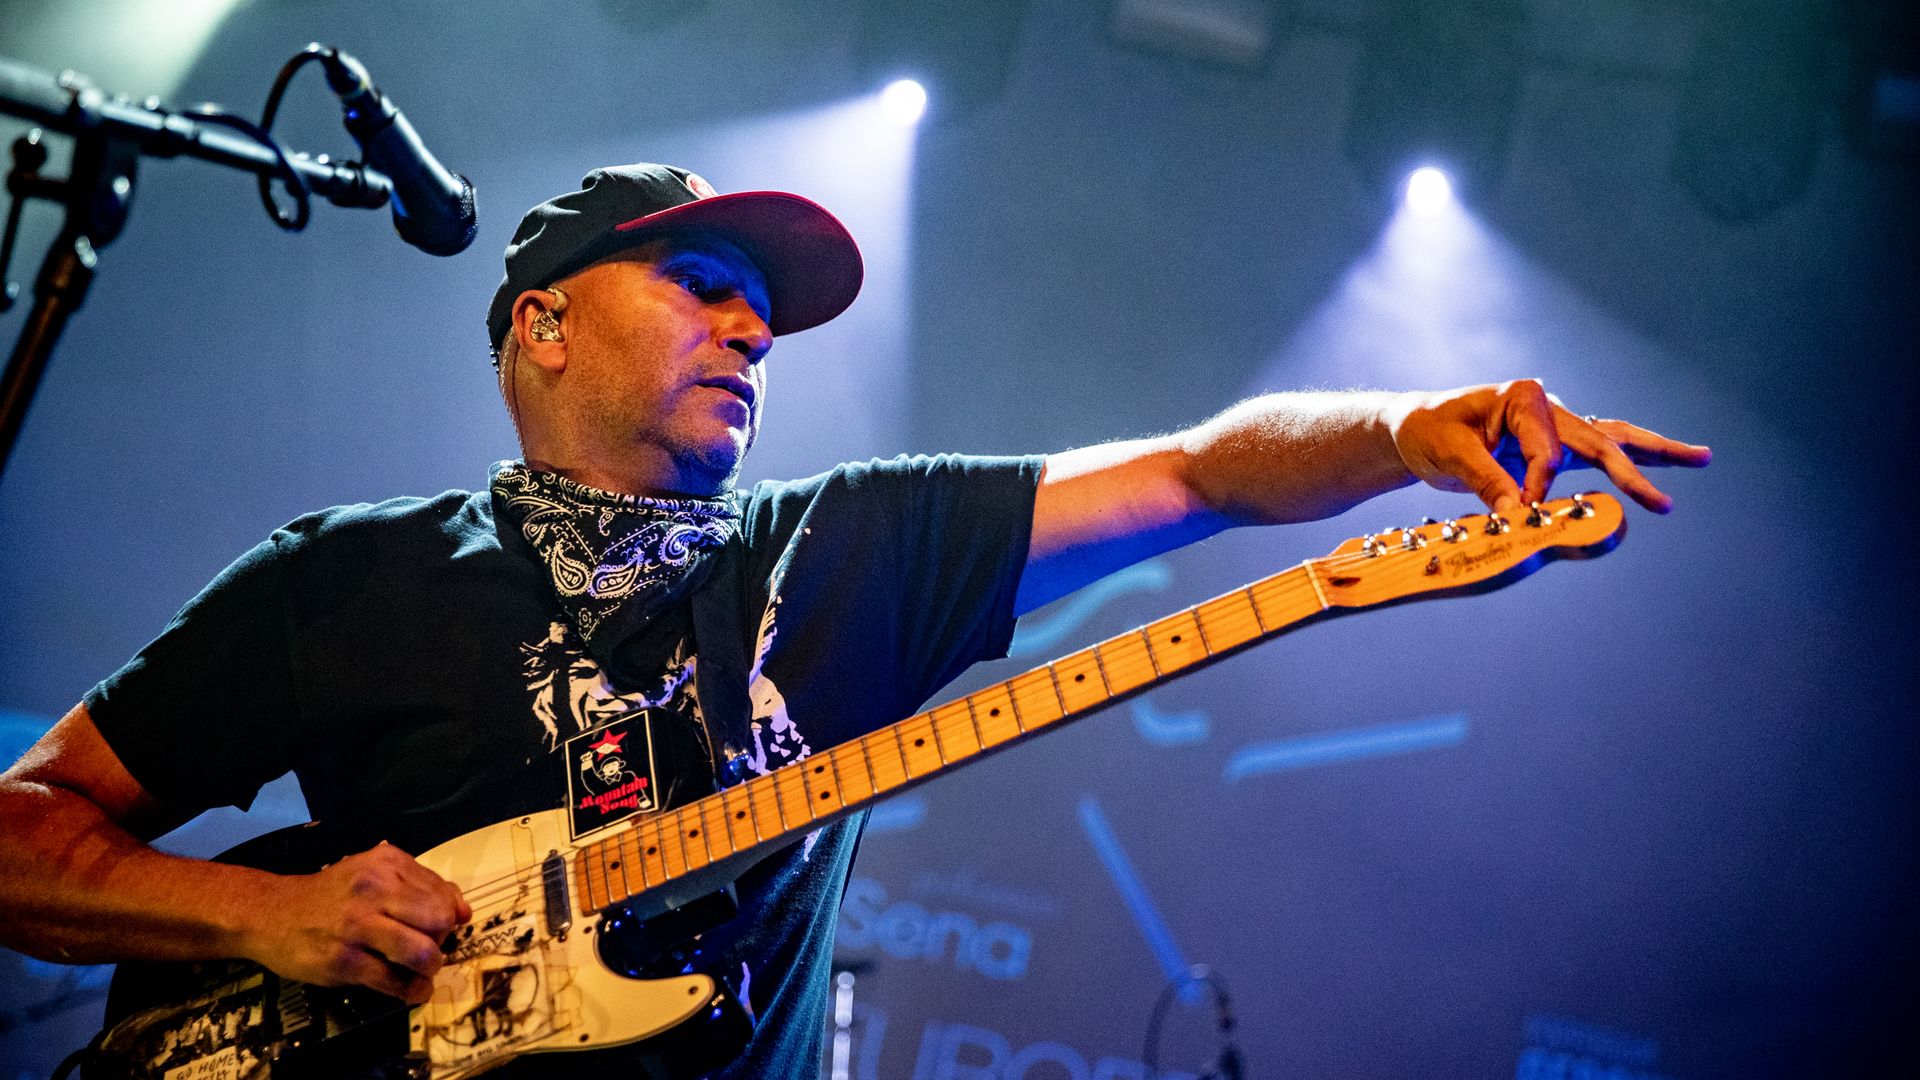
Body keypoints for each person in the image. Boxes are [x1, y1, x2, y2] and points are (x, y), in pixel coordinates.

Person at [0, 163, 1710, 1076]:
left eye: (769, 318)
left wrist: (1403, 433)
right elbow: (25, 838)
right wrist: (257, 919)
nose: (752, 333)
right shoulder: (344, 576)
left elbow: (1196, 470)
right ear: (541, 325)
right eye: (703, 291)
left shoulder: (853, 551)